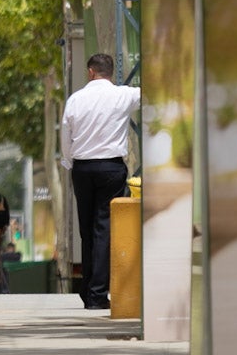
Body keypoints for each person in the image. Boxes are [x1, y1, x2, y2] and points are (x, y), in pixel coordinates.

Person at [60, 52, 141, 310]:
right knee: (104, 228)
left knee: (87, 229)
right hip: (111, 167)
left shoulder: (76, 99)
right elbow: (146, 94)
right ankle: (97, 293)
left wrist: (68, 161)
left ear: (90, 72)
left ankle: (87, 291)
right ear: (110, 72)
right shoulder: (123, 95)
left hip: (82, 168)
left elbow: (66, 133)